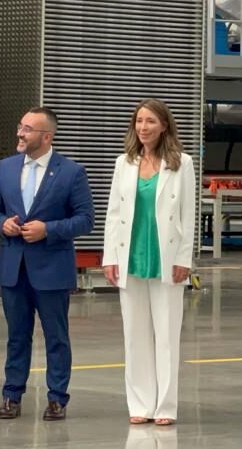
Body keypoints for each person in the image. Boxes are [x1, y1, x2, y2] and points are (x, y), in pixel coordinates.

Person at [0, 106, 94, 421]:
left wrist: (48, 229)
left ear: (47, 137)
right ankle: (11, 395)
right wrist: (2, 224)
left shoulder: (71, 172)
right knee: (16, 336)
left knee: (56, 336)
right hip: (13, 267)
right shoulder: (5, 167)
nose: (20, 133)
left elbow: (85, 219)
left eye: (28, 129)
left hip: (52, 269)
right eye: (20, 126)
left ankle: (57, 398)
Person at [102, 98, 195, 427]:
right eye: (139, 121)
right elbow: (114, 213)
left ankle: (165, 406)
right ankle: (140, 403)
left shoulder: (182, 163)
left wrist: (184, 258)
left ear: (164, 125)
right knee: (135, 335)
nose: (143, 127)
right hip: (130, 256)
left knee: (166, 336)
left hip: (166, 258)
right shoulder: (123, 163)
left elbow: (188, 213)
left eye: (150, 121)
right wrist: (110, 257)